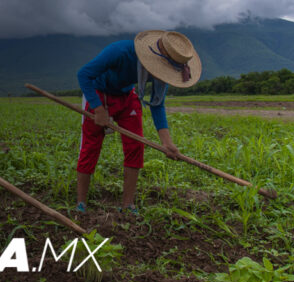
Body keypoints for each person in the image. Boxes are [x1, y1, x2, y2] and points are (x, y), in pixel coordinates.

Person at [75, 30, 202, 215]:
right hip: (98, 93)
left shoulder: (162, 72)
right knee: (91, 145)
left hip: (127, 95)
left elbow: (157, 104)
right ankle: (81, 203)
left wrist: (167, 142)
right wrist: (98, 109)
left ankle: (128, 205)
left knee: (135, 145)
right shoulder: (119, 52)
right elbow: (83, 74)